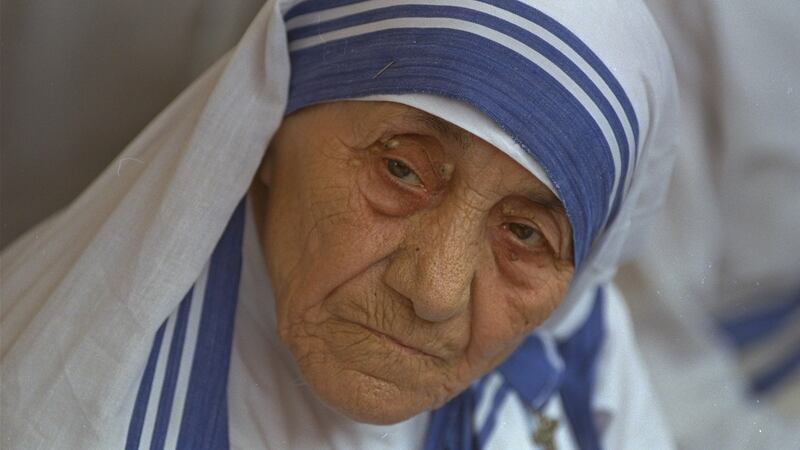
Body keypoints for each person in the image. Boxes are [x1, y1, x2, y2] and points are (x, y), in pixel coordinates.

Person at [0, 0, 678, 448]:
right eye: (401, 171)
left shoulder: (583, 361)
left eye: (525, 234)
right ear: (267, 132)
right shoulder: (62, 409)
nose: (435, 291)